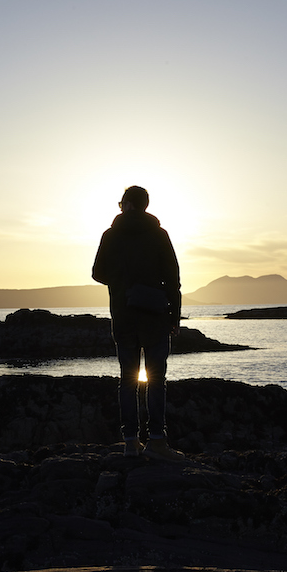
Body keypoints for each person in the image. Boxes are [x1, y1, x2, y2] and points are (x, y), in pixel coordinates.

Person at [92, 185, 185, 460]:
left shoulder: (110, 236)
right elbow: (173, 279)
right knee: (156, 380)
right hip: (156, 317)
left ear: (129, 205)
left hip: (123, 317)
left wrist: (122, 283)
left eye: (122, 203)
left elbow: (98, 273)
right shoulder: (159, 235)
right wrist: (175, 317)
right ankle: (157, 441)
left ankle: (130, 444)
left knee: (128, 381)